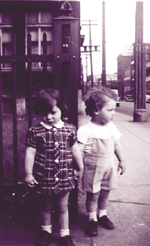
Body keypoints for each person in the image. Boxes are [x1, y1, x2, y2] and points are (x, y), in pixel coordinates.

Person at [24, 88, 83, 246]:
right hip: (44, 177)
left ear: (61, 109)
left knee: (63, 207)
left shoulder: (70, 129)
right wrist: (28, 174)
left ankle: (65, 235)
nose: (48, 117)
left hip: (65, 176)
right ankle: (46, 232)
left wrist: (80, 167)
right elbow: (30, 153)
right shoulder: (35, 131)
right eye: (44, 113)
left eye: (53, 112)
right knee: (45, 206)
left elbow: (75, 150)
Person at [77, 86, 125, 237]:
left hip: (109, 167)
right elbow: (78, 149)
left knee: (105, 193)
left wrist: (122, 160)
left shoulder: (111, 127)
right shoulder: (86, 130)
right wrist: (78, 167)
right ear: (97, 109)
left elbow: (117, 144)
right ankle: (92, 219)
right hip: (93, 168)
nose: (113, 113)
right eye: (110, 110)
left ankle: (102, 215)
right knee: (93, 195)